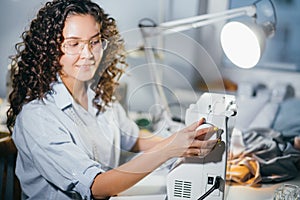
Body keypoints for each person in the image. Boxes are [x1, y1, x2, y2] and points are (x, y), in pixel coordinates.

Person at [6, 0, 218, 199]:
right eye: (73, 44)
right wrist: (168, 149)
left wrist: (186, 141)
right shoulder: (39, 117)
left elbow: (132, 140)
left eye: (94, 41)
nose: (88, 54)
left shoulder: (97, 96)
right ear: (50, 49)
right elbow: (97, 187)